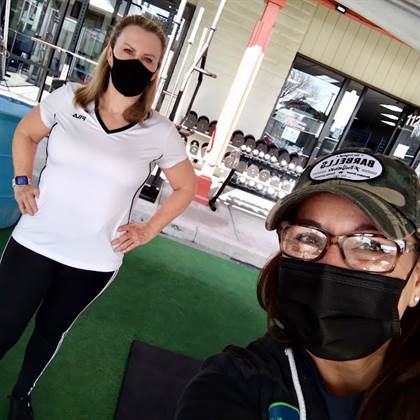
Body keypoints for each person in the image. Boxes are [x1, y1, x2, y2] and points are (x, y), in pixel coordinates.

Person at [0, 14, 196, 420]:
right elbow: (26, 133)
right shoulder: (68, 99)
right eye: (128, 51)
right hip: (35, 240)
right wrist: (21, 181)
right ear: (110, 53)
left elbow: (185, 188)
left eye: (147, 59)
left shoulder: (159, 132)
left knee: (50, 331)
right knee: (4, 324)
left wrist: (149, 229)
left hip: (93, 259)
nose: (135, 62)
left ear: (156, 70)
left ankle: (22, 393)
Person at [175, 148, 420, 420]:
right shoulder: (236, 382)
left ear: (417, 279)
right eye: (308, 238)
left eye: (371, 246)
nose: (330, 264)